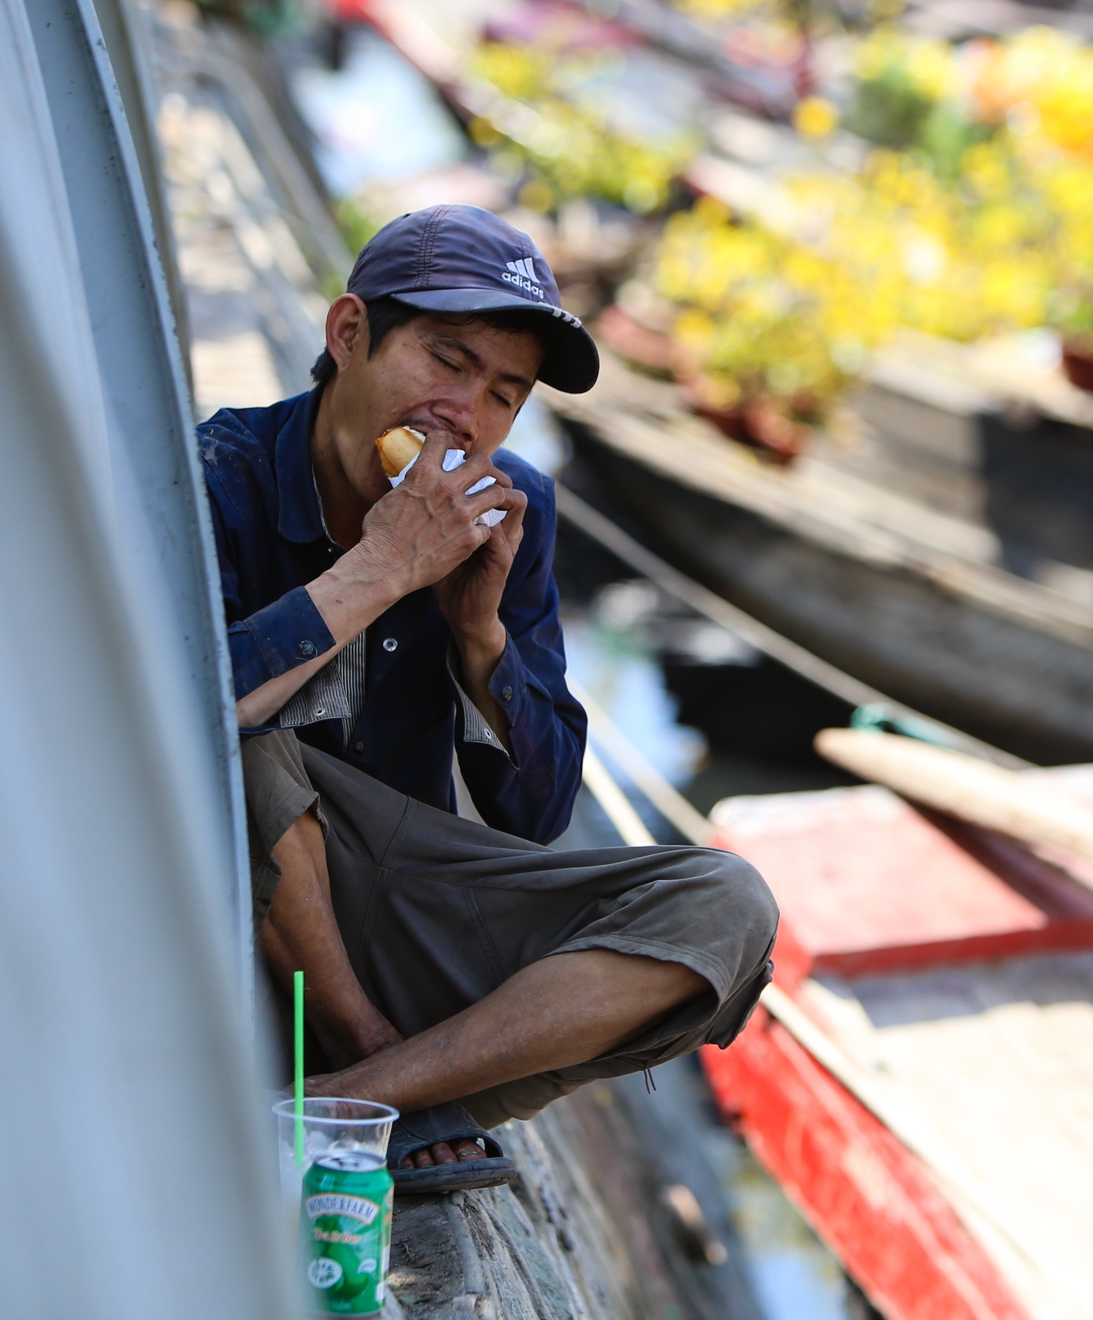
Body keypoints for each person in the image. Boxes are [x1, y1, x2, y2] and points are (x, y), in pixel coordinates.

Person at [201, 204, 778, 1193]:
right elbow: (159, 724)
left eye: (504, 393)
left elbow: (536, 815)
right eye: (447, 359)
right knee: (232, 718)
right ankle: (374, 1068)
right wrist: (382, 569)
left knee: (726, 905)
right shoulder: (220, 477)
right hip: (232, 911)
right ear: (349, 336)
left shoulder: (518, 512)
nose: (464, 411)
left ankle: (361, 1092)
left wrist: (481, 634)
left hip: (409, 901)